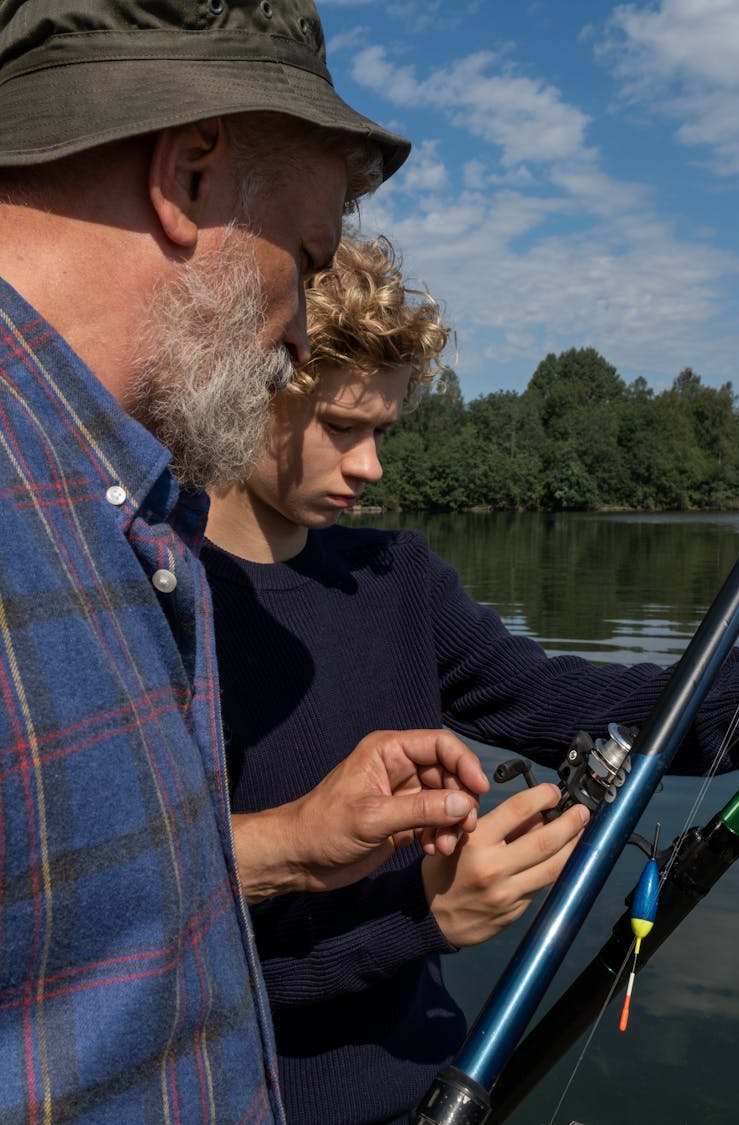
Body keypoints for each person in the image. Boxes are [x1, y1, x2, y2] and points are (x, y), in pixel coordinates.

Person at [0, 7, 493, 1123]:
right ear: (189, 174)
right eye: (308, 259)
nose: (304, 340)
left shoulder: (115, 512)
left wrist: (291, 847)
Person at [203, 234, 739, 1124]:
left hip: (438, 1090)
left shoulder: (398, 579)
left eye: (382, 430)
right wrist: (421, 913)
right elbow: (158, 938)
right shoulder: (150, 605)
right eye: (342, 427)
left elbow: (581, 703)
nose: (372, 465)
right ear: (249, 391)